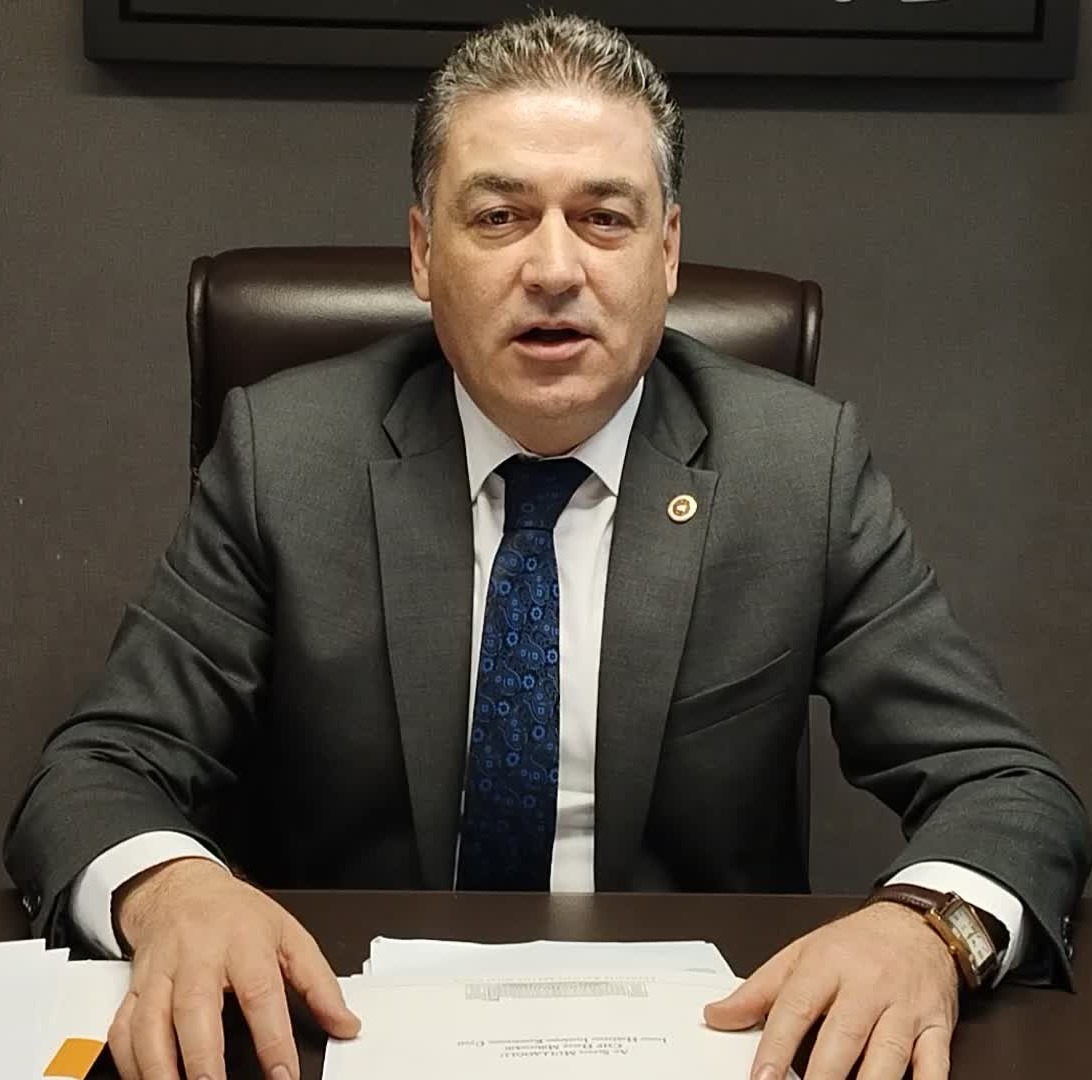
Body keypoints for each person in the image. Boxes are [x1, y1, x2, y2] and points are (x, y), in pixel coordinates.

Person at [5, 12, 1090, 1080]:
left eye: (605, 218)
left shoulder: (796, 471)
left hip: (700, 1045)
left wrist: (927, 930)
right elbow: (97, 770)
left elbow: (1005, 786)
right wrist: (174, 893)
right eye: (500, 216)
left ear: (668, 251)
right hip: (343, 1030)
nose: (555, 267)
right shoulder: (286, 457)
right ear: (424, 252)